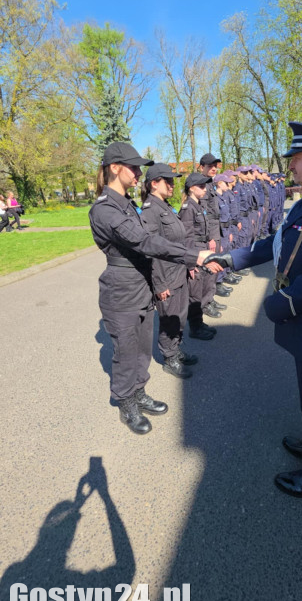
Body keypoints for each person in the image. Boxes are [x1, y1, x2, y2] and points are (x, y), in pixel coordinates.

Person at [205, 122, 302, 498]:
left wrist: (279, 305)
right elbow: (275, 245)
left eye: (296, 158)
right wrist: (229, 258)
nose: (290, 165)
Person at [88, 142, 218, 434]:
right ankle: (126, 402)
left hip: (140, 284)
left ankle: (139, 391)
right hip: (121, 290)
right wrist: (194, 256)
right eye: (133, 167)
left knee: (143, 347)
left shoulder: (126, 205)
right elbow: (146, 242)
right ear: (114, 168)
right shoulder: (105, 209)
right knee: (126, 351)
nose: (137, 173)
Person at [140, 163, 199, 379]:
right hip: (166, 275)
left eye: (173, 180)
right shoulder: (150, 210)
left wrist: (188, 265)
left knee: (180, 316)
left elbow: (179, 241)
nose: (173, 185)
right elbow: (152, 251)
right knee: (168, 319)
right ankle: (169, 357)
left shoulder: (165, 206)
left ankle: (176, 348)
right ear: (154, 183)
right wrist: (160, 284)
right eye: (168, 181)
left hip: (178, 271)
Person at [178, 171, 220, 341]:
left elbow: (205, 226)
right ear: (192, 188)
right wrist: (191, 263)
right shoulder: (188, 208)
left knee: (202, 288)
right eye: (201, 186)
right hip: (194, 252)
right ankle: (194, 327)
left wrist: (210, 238)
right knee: (195, 293)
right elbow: (186, 238)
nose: (205, 189)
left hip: (202, 248)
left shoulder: (199, 205)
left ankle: (199, 322)